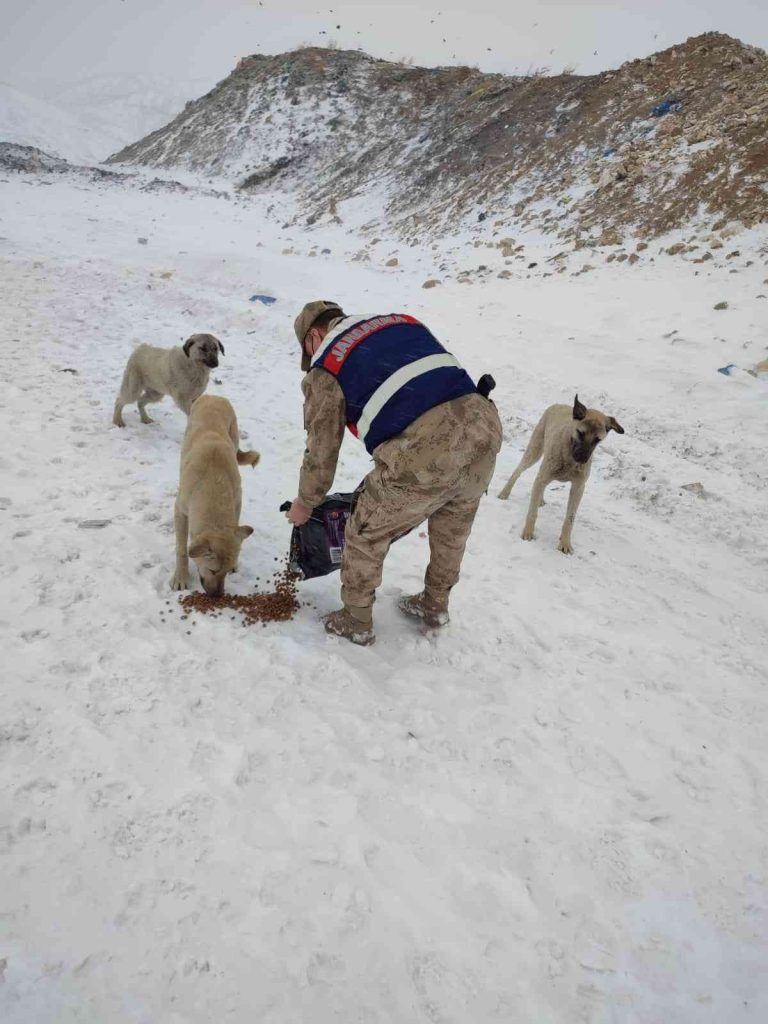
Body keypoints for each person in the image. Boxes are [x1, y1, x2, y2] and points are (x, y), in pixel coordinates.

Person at [286, 301, 502, 645]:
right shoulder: (396, 320)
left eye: (307, 351)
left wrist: (306, 502)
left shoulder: (327, 363)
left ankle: (355, 619)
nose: (310, 360)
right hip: (484, 428)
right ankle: (435, 606)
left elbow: (322, 450)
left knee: (364, 530)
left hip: (429, 445)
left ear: (314, 335)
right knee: (453, 526)